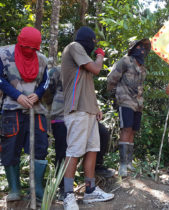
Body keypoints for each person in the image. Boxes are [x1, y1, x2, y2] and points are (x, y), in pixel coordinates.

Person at [61, 26, 114, 209]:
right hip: (77, 110)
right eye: (93, 42)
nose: (94, 46)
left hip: (89, 110)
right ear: (88, 40)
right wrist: (100, 55)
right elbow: (96, 69)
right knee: (74, 151)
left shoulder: (83, 62)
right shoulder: (74, 46)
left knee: (93, 149)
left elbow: (87, 87)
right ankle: (67, 194)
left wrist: (96, 107)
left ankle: (90, 191)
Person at [0, 27, 49, 202]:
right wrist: (18, 96)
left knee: (41, 147)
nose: (31, 51)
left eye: (34, 49)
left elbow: (46, 81)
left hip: (36, 111)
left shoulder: (42, 60)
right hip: (12, 109)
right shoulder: (4, 54)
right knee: (10, 147)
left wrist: (38, 94)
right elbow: (0, 79)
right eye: (28, 47)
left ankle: (37, 189)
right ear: (20, 43)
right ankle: (14, 189)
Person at [107, 38, 151, 177]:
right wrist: (116, 95)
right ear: (133, 48)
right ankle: (123, 165)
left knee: (132, 131)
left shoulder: (142, 67)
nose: (142, 49)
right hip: (125, 101)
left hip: (138, 103)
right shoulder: (125, 61)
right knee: (125, 129)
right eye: (139, 46)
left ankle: (129, 162)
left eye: (144, 47)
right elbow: (111, 78)